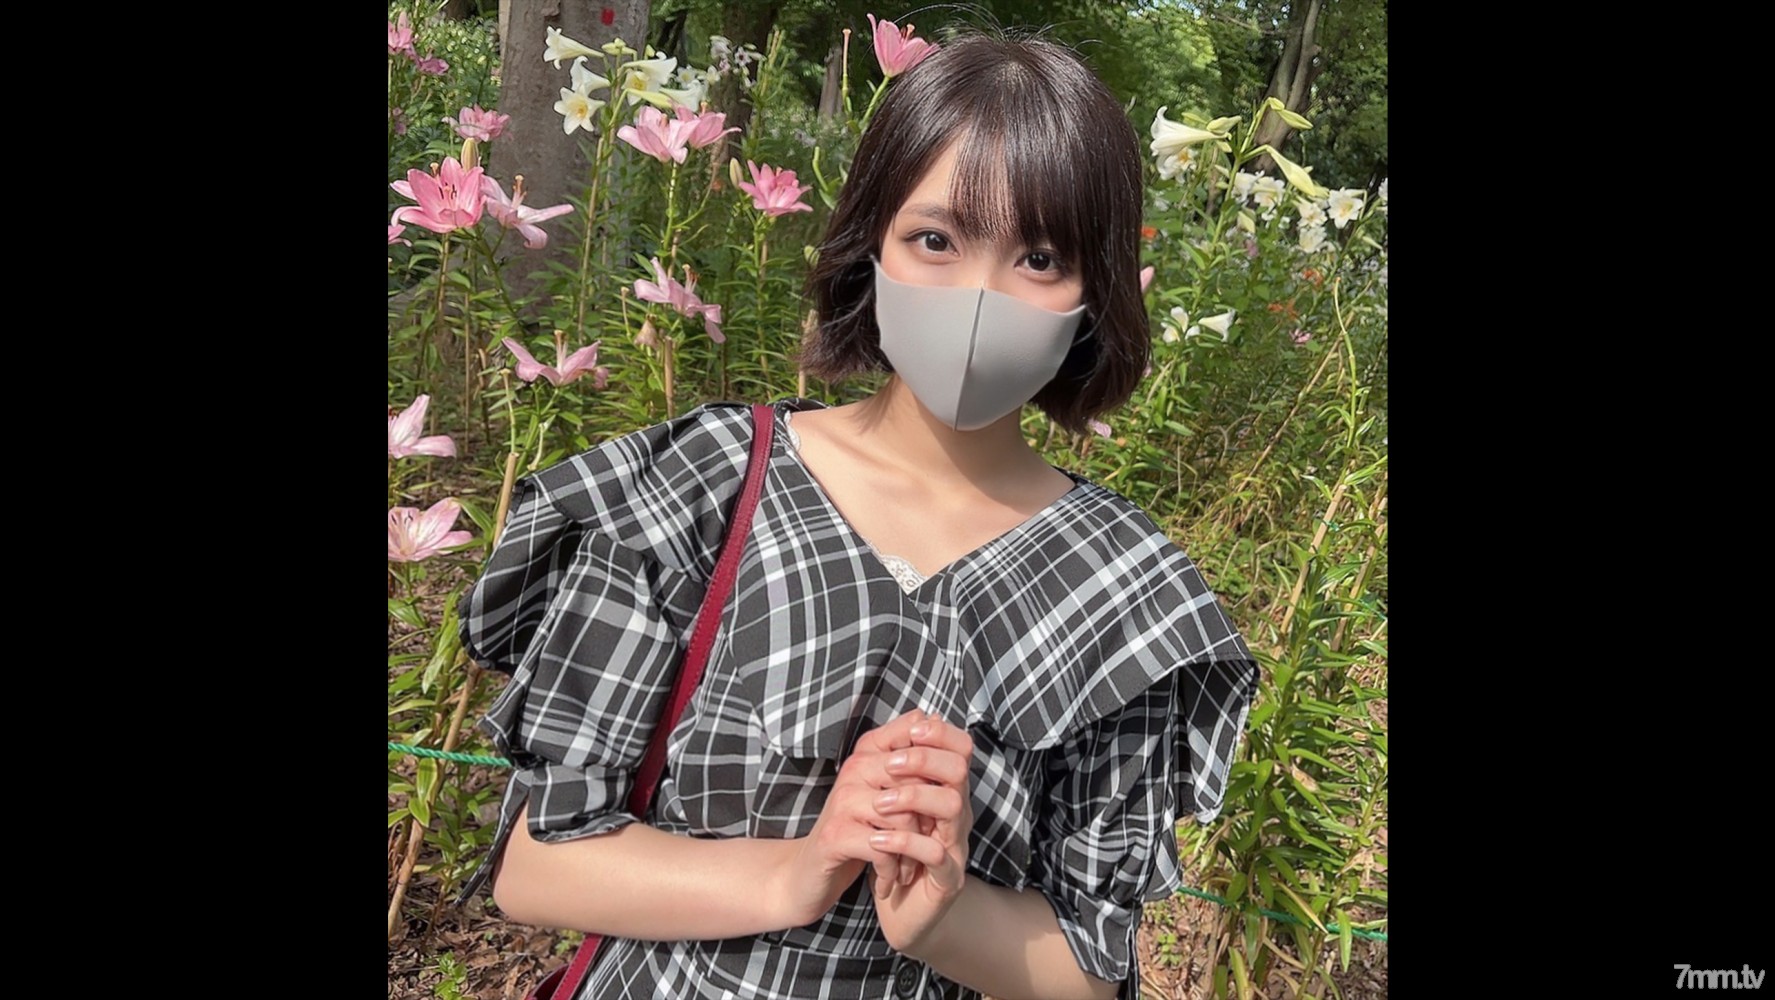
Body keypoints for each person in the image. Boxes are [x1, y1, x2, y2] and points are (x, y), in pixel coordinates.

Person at [456, 31, 1260, 1000]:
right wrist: (795, 872)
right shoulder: (707, 484)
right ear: (868, 241)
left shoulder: (1124, 585)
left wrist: (945, 918)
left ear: (1095, 291)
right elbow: (537, 861)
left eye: (1039, 256)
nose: (978, 298)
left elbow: (1090, 970)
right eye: (935, 240)